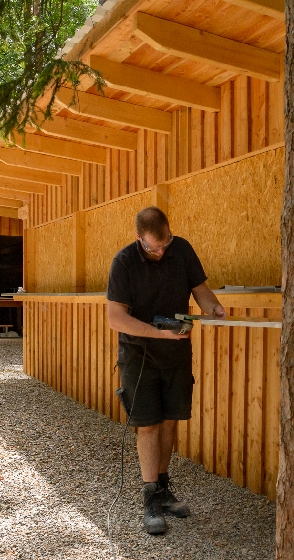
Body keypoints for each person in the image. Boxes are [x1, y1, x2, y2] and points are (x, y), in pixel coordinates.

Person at [106, 206, 225, 535]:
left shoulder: (181, 249)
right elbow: (116, 318)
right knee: (148, 426)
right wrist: (159, 334)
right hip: (139, 355)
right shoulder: (124, 262)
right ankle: (149, 500)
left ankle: (162, 487)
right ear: (139, 238)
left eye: (165, 243)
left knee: (170, 420)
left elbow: (200, 289)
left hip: (176, 355)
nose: (161, 251)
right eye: (153, 247)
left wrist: (213, 307)